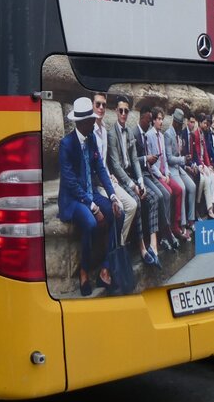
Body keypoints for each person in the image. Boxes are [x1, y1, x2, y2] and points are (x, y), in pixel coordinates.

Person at [58, 96, 125, 296]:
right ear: (81, 122)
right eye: (90, 119)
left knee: (118, 213)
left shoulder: (91, 139)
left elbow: (101, 169)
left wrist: (112, 196)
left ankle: (105, 269)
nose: (93, 122)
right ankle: (84, 270)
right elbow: (70, 183)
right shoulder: (66, 144)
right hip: (73, 199)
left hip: (90, 193)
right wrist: (94, 208)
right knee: (90, 223)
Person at [107, 95, 160, 266]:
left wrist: (140, 182)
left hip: (131, 175)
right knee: (136, 200)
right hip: (121, 179)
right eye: (120, 110)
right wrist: (132, 185)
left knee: (152, 197)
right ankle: (142, 248)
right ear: (116, 111)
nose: (123, 113)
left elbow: (135, 160)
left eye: (126, 111)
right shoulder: (111, 134)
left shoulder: (129, 132)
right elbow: (115, 165)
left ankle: (154, 245)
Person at [92, 93, 139, 248]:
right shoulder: (91, 131)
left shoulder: (104, 130)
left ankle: (120, 244)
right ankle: (115, 250)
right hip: (98, 184)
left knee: (132, 205)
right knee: (118, 208)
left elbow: (104, 163)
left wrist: (110, 175)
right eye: (97, 104)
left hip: (108, 179)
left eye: (103, 105)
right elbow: (94, 167)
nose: (100, 108)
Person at [141, 109, 184, 250]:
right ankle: (164, 234)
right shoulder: (149, 136)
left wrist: (167, 174)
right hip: (155, 174)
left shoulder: (160, 136)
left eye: (162, 119)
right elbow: (150, 164)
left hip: (164, 174)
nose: (160, 122)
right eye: (158, 119)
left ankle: (172, 227)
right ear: (153, 120)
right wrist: (161, 175)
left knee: (176, 190)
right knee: (167, 193)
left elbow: (164, 158)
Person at [164, 108, 197, 236]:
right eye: (179, 124)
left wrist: (185, 160)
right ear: (175, 123)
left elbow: (178, 153)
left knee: (192, 186)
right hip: (172, 169)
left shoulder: (177, 134)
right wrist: (183, 159)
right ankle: (181, 224)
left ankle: (190, 219)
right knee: (182, 188)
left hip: (179, 168)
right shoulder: (168, 134)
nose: (180, 127)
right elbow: (169, 158)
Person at [190, 112, 214, 218]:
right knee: (205, 180)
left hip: (202, 163)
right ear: (200, 123)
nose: (206, 125)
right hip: (197, 163)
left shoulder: (203, 134)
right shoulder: (195, 134)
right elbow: (196, 155)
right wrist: (202, 165)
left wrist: (209, 165)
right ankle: (207, 208)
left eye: (207, 123)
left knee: (213, 178)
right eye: (205, 123)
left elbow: (205, 152)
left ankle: (211, 204)